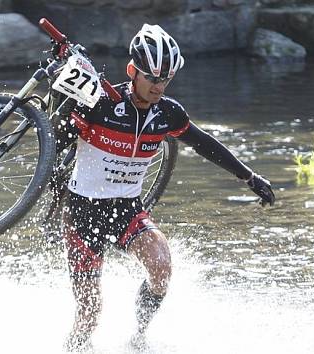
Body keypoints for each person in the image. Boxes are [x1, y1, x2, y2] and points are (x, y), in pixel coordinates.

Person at [56, 24, 275, 350]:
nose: (159, 86)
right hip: (81, 211)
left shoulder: (168, 113)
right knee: (90, 311)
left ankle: (139, 339)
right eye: (152, 78)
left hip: (126, 208)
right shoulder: (99, 102)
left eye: (166, 79)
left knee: (161, 267)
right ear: (133, 71)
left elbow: (205, 144)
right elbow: (58, 141)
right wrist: (65, 100)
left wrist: (249, 177)